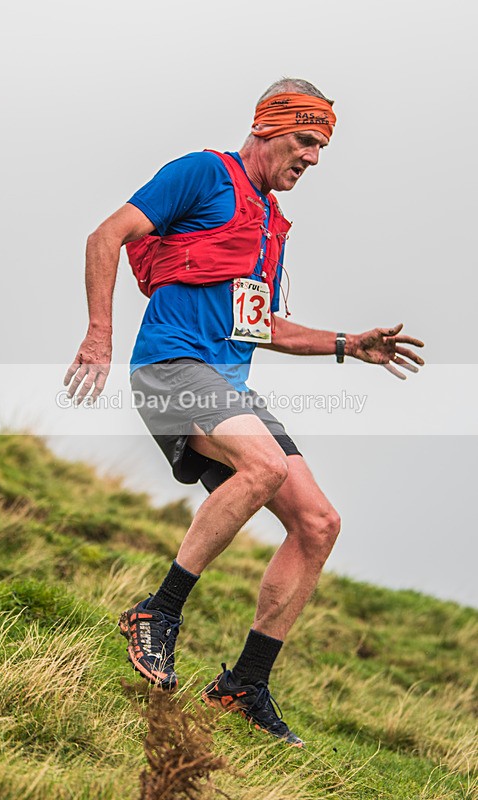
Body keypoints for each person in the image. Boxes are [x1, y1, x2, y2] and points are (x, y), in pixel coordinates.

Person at [64, 78, 424, 747]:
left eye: (322, 147)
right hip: (171, 367)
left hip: (229, 388)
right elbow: (105, 235)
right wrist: (98, 335)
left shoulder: (269, 226)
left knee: (318, 523)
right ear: (269, 126)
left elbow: (260, 329)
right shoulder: (203, 174)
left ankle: (243, 685)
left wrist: (348, 345)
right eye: (306, 140)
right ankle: (156, 614)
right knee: (260, 465)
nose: (313, 159)